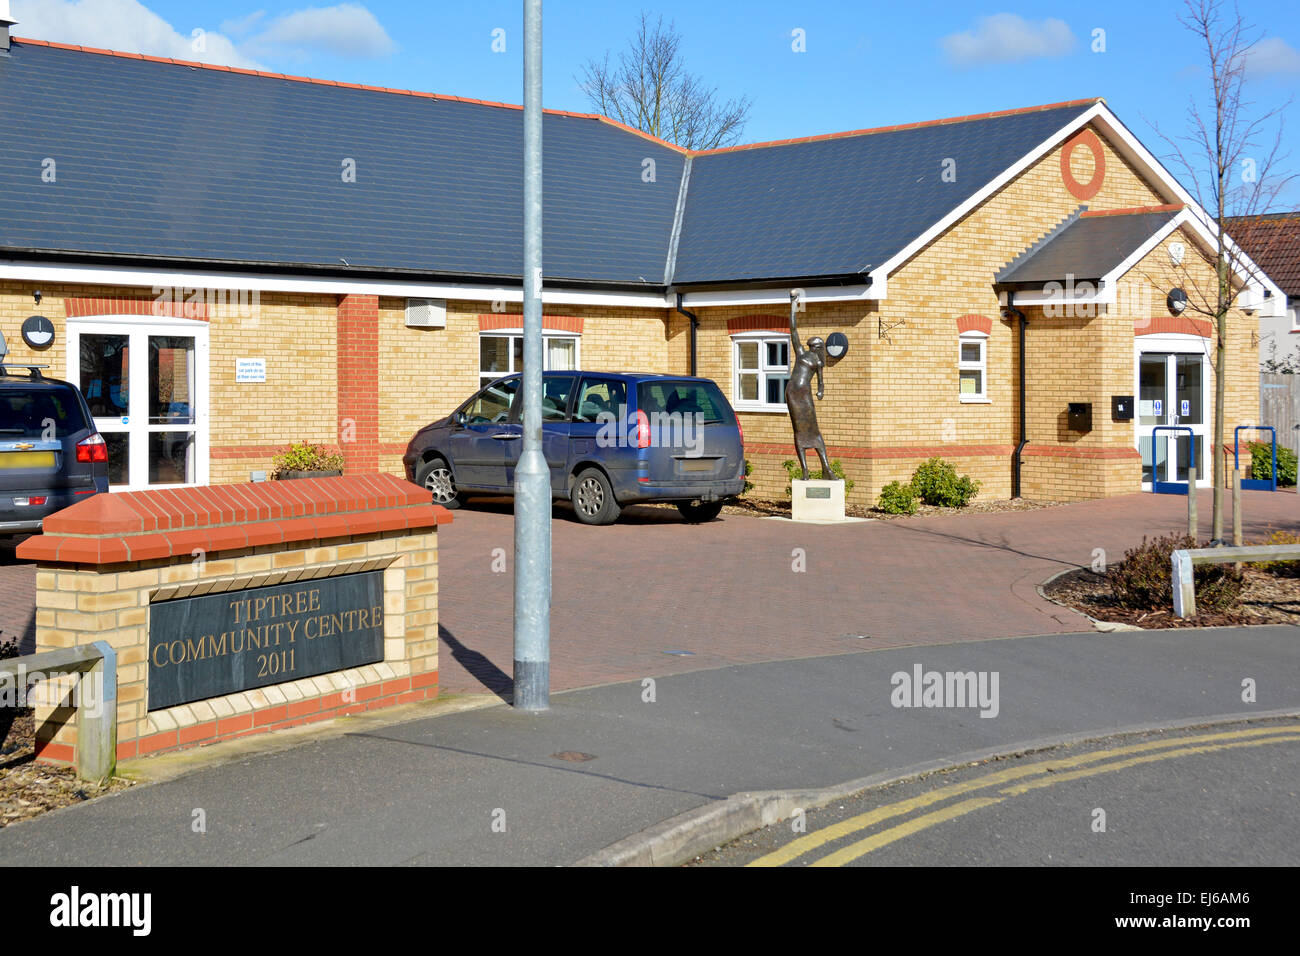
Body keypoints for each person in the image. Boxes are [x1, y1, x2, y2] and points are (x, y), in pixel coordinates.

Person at [785, 291, 833, 481]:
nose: (812, 347)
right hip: (793, 392)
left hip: (805, 394)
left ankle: (826, 468)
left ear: (819, 348)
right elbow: (793, 330)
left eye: (815, 345)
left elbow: (820, 382)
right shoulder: (801, 353)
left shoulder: (819, 363)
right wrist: (793, 306)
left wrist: (821, 391)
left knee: (812, 429)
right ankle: (805, 470)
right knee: (798, 429)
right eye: (811, 345)